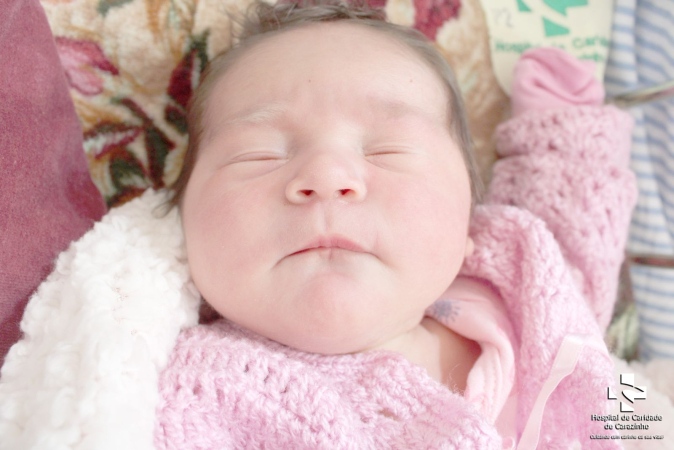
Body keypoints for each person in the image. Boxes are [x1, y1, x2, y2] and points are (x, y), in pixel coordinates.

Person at [151, 0, 637, 448]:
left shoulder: (523, 300)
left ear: (469, 226)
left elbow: (569, 239)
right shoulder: (190, 395)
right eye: (259, 154)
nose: (327, 177)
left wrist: (562, 130)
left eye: (388, 150)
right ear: (182, 221)